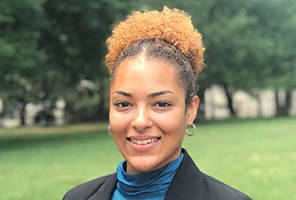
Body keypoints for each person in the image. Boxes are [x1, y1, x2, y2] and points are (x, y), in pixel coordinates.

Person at [63, 7, 252, 200]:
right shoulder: (77, 197)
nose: (140, 121)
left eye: (161, 104)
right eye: (123, 104)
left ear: (190, 110)